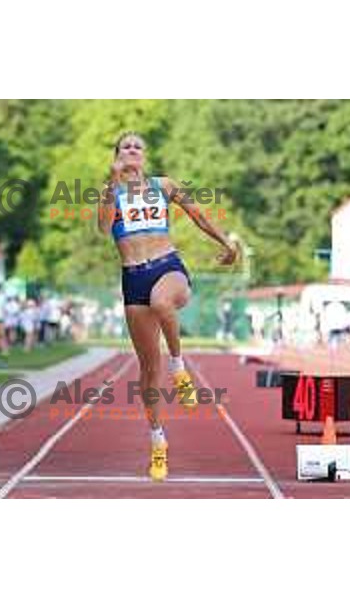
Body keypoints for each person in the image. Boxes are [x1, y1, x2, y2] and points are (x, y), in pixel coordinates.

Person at [98, 132, 239, 481]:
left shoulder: (163, 186)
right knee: (147, 370)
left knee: (163, 302)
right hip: (133, 279)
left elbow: (199, 216)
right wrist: (113, 180)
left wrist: (227, 244)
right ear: (117, 156)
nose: (131, 150)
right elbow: (103, 228)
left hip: (167, 266)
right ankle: (158, 442)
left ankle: (180, 369)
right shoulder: (110, 191)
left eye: (137, 146)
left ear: (144, 155)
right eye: (125, 147)